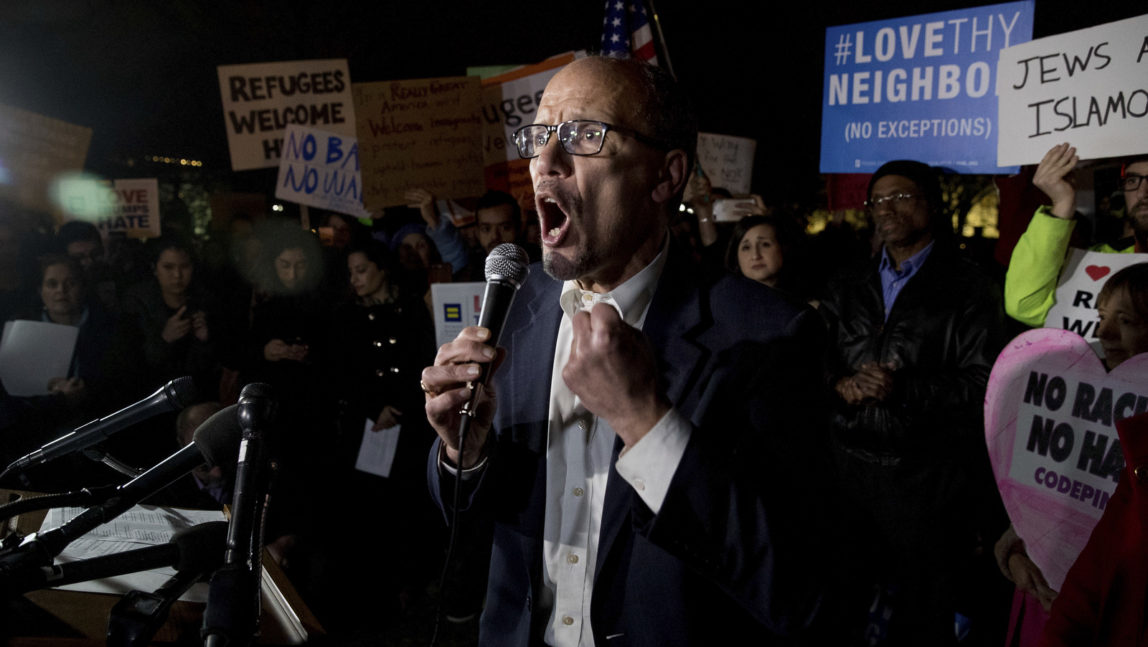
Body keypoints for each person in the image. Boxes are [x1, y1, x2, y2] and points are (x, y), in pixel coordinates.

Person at [421, 55, 833, 646]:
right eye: (539, 137)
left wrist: (647, 422)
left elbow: (797, 584)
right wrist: (466, 452)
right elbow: (478, 514)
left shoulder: (768, 334)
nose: (545, 162)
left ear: (665, 176)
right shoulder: (513, 304)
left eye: (586, 135)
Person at [818, 159, 1010, 645]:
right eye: (878, 199)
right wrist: (839, 386)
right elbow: (812, 363)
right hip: (849, 477)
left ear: (932, 203)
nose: (887, 208)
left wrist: (904, 391)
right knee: (841, 608)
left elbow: (986, 382)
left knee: (920, 618)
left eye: (901, 196)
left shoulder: (969, 286)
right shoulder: (846, 285)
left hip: (928, 484)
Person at [1005, 143, 1148, 327]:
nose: (1143, 193)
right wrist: (1062, 204)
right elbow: (1026, 307)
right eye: (1132, 181)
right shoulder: (1105, 258)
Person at [725, 213, 808, 298]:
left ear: (783, 248)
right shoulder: (727, 302)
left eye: (765, 244)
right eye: (746, 247)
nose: (755, 256)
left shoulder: (810, 305)